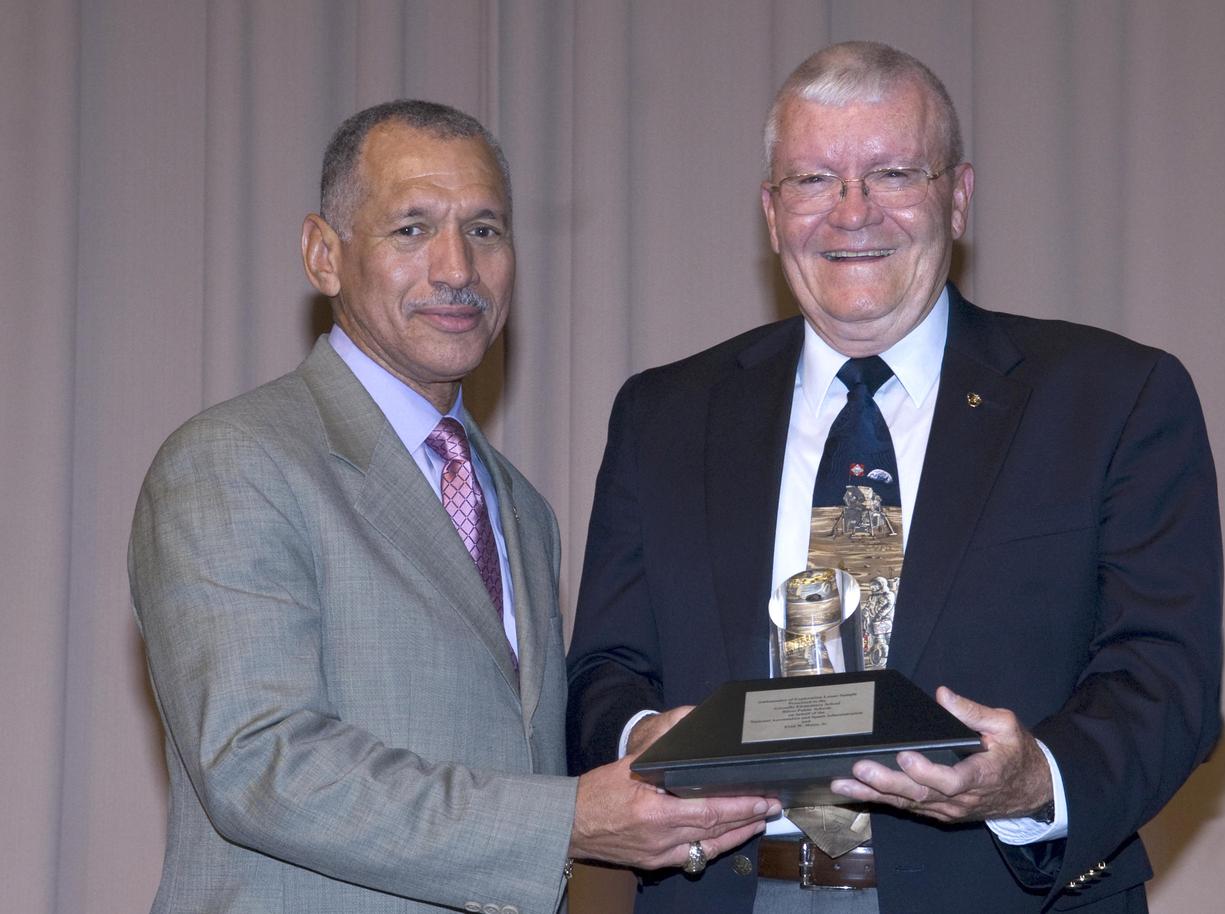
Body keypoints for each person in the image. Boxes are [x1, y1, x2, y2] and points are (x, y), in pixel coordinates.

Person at [565, 41, 1222, 914]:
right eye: (812, 181)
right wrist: (649, 739)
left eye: (893, 173)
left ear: (957, 196)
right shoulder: (664, 415)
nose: (852, 213)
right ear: (770, 212)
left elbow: (1167, 680)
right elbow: (604, 672)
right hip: (725, 890)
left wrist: (1033, 783)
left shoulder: (1112, 398)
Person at [128, 99, 778, 914]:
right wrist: (569, 820)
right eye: (411, 229)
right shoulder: (234, 461)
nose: (457, 270)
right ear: (322, 255)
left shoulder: (521, 508)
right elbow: (260, 764)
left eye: (484, 230)